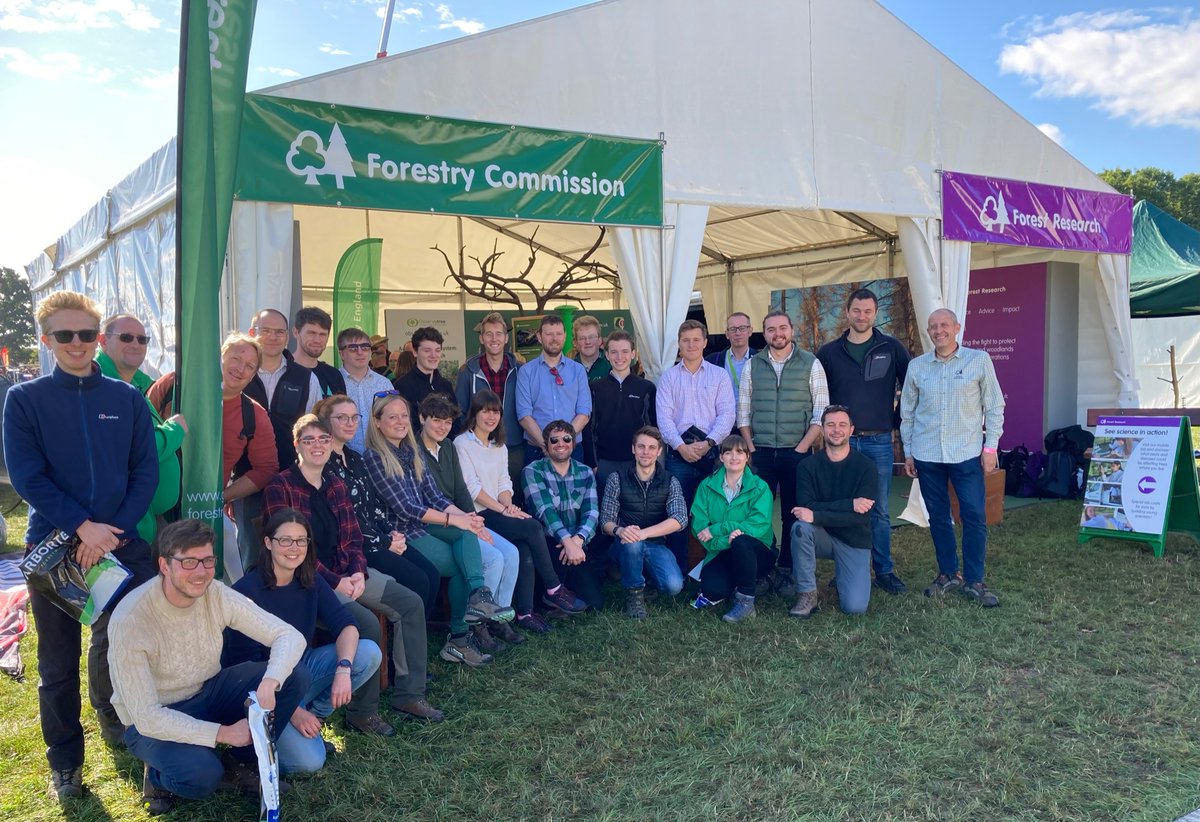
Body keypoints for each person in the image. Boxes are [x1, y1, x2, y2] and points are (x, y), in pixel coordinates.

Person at [4, 290, 159, 800]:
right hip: (54, 549)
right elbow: (28, 477)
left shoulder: (127, 399)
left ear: (99, 339)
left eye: (86, 334)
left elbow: (144, 472)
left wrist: (108, 530)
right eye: (65, 335)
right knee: (57, 662)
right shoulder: (24, 400)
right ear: (47, 340)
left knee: (122, 649)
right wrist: (80, 528)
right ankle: (66, 763)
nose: (77, 344)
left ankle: (125, 732)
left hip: (121, 542)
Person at [107, 519, 309, 816]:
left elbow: (288, 635)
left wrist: (271, 681)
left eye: (207, 560)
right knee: (202, 777)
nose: (200, 572)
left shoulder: (215, 592)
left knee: (294, 676)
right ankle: (159, 777)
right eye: (188, 562)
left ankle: (242, 763)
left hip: (207, 691)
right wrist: (223, 733)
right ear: (164, 565)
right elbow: (147, 716)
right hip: (153, 718)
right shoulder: (132, 620)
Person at [262, 415, 441, 729]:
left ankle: (409, 693)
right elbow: (291, 552)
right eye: (309, 440)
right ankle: (363, 711)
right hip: (307, 581)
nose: (317, 446)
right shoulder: (282, 485)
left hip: (349, 575)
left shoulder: (336, 484)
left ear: (331, 444)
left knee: (410, 602)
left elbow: (352, 536)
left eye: (323, 439)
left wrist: (358, 572)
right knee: (366, 624)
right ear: (296, 445)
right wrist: (337, 582)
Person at [224, 508, 383, 775]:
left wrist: (343, 669)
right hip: (262, 690)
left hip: (302, 670)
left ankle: (316, 716)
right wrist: (294, 711)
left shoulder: (309, 579)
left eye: (301, 540)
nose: (294, 548)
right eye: (285, 540)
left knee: (368, 653)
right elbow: (248, 669)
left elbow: (347, 625)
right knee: (309, 763)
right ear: (267, 543)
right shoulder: (246, 592)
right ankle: (264, 743)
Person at [362, 392, 513, 667]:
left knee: (467, 534)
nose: (400, 421)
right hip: (403, 532)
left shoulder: (410, 451)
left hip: (425, 524)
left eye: (403, 416)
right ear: (377, 421)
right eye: (392, 417)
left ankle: (477, 601)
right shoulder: (374, 457)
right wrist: (453, 520)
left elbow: (435, 497)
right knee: (458, 563)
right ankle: (458, 638)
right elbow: (405, 508)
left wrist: (466, 518)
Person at [455, 390, 587, 635]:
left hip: (497, 510)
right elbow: (471, 488)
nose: (491, 417)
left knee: (524, 549)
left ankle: (522, 613)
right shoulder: (462, 443)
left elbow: (504, 482)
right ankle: (554, 587)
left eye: (495, 412)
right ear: (474, 414)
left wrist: (509, 505)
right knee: (533, 527)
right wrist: (505, 509)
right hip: (477, 515)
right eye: (485, 411)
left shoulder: (499, 445)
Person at [900, 308, 1005, 608]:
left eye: (944, 325)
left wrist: (990, 448)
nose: (938, 330)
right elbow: (907, 413)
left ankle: (975, 579)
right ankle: (948, 573)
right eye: (933, 326)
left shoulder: (978, 360)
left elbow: (994, 406)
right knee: (939, 518)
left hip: (966, 455)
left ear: (957, 327)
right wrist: (909, 452)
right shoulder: (918, 367)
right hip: (927, 455)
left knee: (974, 515)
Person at [816, 288, 911, 595]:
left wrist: (894, 422)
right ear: (847, 312)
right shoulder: (829, 353)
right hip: (840, 444)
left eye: (868, 311)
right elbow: (818, 396)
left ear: (875, 314)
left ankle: (883, 570)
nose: (862, 316)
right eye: (856, 310)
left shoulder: (891, 347)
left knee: (879, 509)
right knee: (844, 507)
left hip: (878, 442)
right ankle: (848, 566)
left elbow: (911, 389)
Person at [314, 395, 442, 619]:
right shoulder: (324, 464)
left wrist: (390, 533)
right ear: (326, 422)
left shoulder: (354, 458)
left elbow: (373, 507)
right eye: (342, 418)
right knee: (418, 580)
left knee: (430, 574)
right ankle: (401, 636)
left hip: (379, 537)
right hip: (357, 547)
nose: (350, 423)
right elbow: (347, 519)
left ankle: (422, 631)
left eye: (354, 418)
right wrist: (385, 541)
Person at [416, 393, 522, 654]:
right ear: (421, 419)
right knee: (493, 559)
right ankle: (478, 625)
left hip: (461, 517)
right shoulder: (414, 451)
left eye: (447, 422)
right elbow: (430, 499)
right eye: (436, 421)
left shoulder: (448, 447)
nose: (442, 427)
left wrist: (473, 521)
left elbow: (462, 491)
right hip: (437, 521)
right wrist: (467, 522)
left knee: (511, 553)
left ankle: (497, 617)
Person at [737, 310, 828, 591]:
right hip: (761, 452)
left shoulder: (811, 363)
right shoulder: (753, 365)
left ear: (791, 330)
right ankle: (764, 566)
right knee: (758, 513)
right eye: (771, 329)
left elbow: (821, 411)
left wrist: (802, 448)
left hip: (796, 452)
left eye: (782, 328)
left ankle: (788, 568)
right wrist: (751, 447)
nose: (777, 334)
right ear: (763, 334)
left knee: (794, 513)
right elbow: (743, 411)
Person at [96, 313, 187, 543]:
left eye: (142, 339)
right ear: (103, 341)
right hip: (121, 524)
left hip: (143, 518)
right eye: (126, 337)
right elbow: (132, 450)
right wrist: (174, 430)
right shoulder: (100, 385)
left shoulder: (135, 385)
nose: (136, 344)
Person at [656, 319, 736, 570]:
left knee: (714, 514)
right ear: (679, 345)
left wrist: (710, 442)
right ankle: (679, 570)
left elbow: (727, 414)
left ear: (705, 342)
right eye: (685, 340)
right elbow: (663, 418)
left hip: (712, 454)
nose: (691, 344)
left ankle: (712, 569)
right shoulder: (668, 377)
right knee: (679, 515)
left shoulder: (719, 375)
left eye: (695, 339)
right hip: (679, 457)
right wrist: (681, 447)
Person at [789, 406, 876, 618]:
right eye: (830, 425)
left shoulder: (866, 467)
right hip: (822, 536)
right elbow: (805, 508)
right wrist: (849, 504)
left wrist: (818, 514)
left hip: (853, 540)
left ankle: (844, 576)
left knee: (855, 608)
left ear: (851, 430)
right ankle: (807, 594)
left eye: (842, 425)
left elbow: (860, 516)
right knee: (800, 528)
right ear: (822, 430)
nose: (836, 430)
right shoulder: (807, 466)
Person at [598, 426, 687, 619]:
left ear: (659, 451)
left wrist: (644, 533)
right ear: (633, 449)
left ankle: (645, 579)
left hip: (655, 543)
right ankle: (635, 595)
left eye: (651, 447)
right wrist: (621, 531)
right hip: (624, 543)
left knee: (674, 586)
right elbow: (605, 520)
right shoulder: (617, 478)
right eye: (641, 446)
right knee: (632, 543)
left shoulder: (670, 481)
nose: (646, 452)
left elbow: (680, 519)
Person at [689, 436, 775, 623]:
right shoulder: (707, 486)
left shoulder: (760, 488)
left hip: (756, 551)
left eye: (739, 452)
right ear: (721, 457)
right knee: (712, 590)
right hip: (719, 550)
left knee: (742, 541)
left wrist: (720, 528)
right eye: (728, 452)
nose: (733, 457)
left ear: (747, 457)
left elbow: (758, 526)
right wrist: (725, 540)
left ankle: (745, 602)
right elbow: (699, 528)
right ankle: (740, 582)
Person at [523, 420, 606, 611]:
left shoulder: (585, 472)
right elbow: (544, 511)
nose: (561, 444)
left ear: (573, 443)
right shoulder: (532, 471)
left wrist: (577, 541)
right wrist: (567, 543)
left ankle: (564, 593)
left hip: (577, 543)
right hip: (547, 544)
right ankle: (550, 596)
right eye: (554, 440)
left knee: (595, 603)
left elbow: (591, 511)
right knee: (543, 605)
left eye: (567, 439)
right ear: (546, 445)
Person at [216, 333, 279, 576]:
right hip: (157, 509)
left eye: (250, 366)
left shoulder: (254, 414)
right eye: (235, 358)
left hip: (206, 509)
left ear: (253, 375)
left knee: (233, 578)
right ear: (221, 356)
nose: (240, 368)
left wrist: (223, 496)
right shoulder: (173, 386)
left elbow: (266, 468)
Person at [245, 308, 321, 469]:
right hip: (243, 476)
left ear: (287, 336)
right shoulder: (238, 375)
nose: (273, 337)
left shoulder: (306, 379)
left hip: (292, 476)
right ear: (251, 333)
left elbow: (314, 428)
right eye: (265, 331)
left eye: (279, 332)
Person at [455, 311, 524, 486]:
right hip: (479, 447)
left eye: (499, 334)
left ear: (506, 338)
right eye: (489, 334)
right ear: (481, 339)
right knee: (483, 497)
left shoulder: (520, 370)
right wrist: (473, 440)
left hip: (514, 446)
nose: (494, 339)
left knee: (513, 498)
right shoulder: (468, 372)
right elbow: (460, 411)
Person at [515, 314, 591, 466]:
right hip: (537, 450)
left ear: (565, 337)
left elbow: (584, 412)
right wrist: (547, 444)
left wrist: (564, 442)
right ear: (539, 337)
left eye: (558, 334)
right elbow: (524, 414)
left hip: (572, 451)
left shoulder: (578, 371)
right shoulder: (526, 372)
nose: (554, 338)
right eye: (549, 334)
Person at [587, 330, 656, 488]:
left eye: (625, 352)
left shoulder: (646, 387)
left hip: (637, 462)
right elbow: (589, 429)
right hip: (605, 463)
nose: (619, 357)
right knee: (607, 511)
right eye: (614, 352)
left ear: (633, 354)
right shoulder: (595, 388)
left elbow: (652, 429)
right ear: (607, 355)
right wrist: (594, 463)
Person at [335, 326, 395, 453]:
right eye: (353, 348)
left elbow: (393, 419)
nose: (360, 352)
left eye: (365, 347)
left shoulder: (384, 384)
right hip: (344, 458)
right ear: (341, 353)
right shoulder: (333, 382)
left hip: (380, 457)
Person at [392, 326, 456, 421]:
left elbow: (455, 420)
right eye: (427, 351)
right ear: (415, 352)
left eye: (437, 350)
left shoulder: (446, 386)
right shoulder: (402, 386)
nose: (433, 355)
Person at [291, 306, 346, 399]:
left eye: (322, 334)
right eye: (311, 333)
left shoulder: (334, 375)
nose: (317, 340)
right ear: (295, 332)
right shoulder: (282, 371)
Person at [706, 312, 757, 401]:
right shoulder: (712, 361)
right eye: (733, 329)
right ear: (727, 334)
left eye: (742, 328)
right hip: (724, 413)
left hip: (752, 413)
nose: (738, 333)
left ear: (750, 331)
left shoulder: (760, 359)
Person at [571, 314, 611, 380]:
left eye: (591, 337)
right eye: (582, 338)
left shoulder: (611, 365)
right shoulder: (568, 369)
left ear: (599, 340)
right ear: (575, 343)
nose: (587, 342)